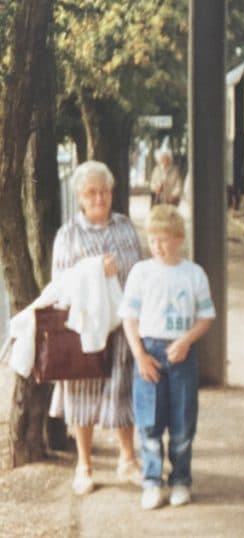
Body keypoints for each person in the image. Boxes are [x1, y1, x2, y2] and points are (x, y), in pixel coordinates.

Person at [49, 160, 143, 495]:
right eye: (92, 192)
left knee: (125, 390)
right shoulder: (68, 235)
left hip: (124, 326)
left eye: (104, 191)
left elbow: (141, 272)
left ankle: (128, 458)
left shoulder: (125, 227)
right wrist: (93, 271)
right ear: (80, 196)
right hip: (86, 329)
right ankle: (84, 464)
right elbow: (59, 286)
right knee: (82, 393)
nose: (99, 198)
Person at [119, 205, 216, 509]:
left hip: (181, 354)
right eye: (152, 239)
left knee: (183, 422)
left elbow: (206, 316)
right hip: (149, 351)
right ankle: (151, 481)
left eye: (164, 239)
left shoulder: (193, 274)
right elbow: (129, 318)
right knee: (149, 422)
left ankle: (181, 480)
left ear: (178, 238)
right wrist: (140, 355)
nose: (158, 246)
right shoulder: (141, 273)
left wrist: (187, 340)